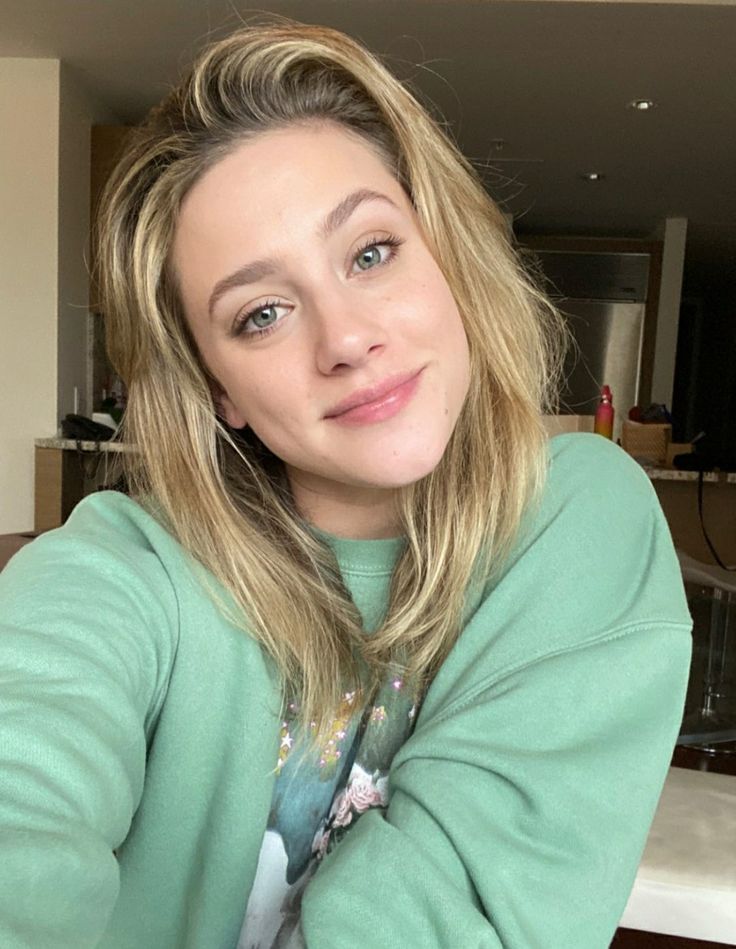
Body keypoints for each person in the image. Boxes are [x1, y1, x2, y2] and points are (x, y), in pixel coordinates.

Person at [0, 20, 692, 949]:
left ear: (445, 251)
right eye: (262, 314)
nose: (345, 338)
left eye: (370, 252)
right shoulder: (125, 571)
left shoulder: (576, 516)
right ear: (220, 391)